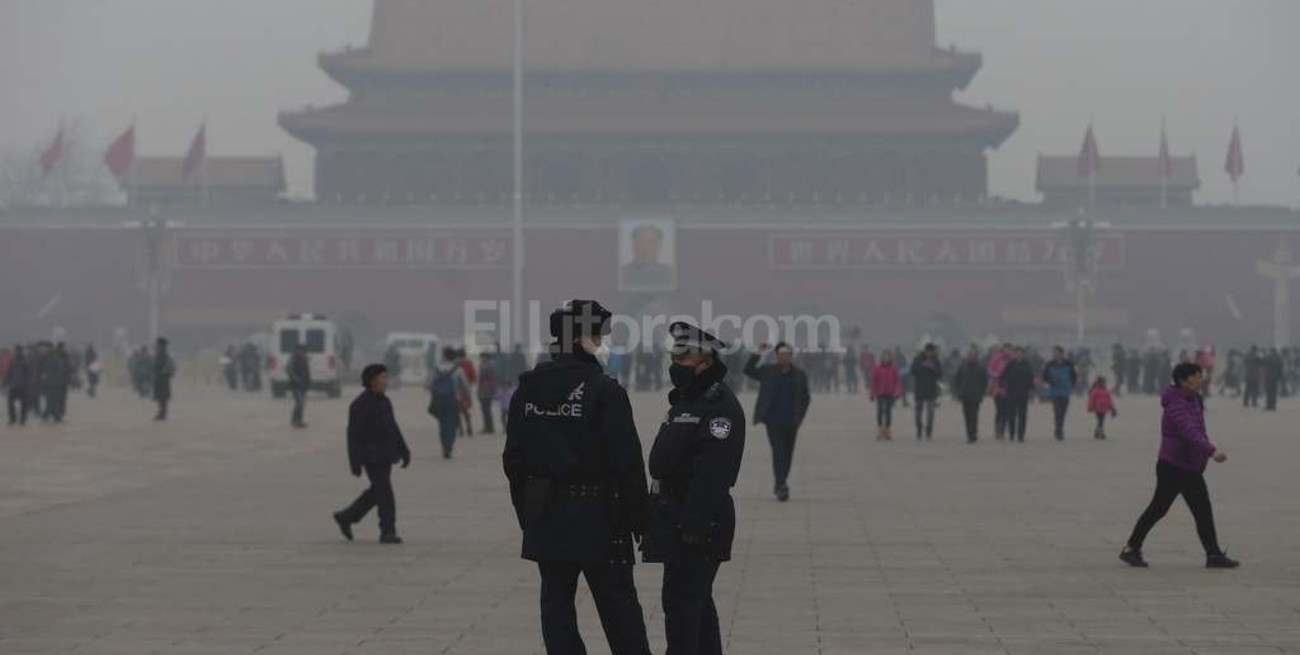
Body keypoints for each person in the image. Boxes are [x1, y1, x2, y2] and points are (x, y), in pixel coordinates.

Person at [503, 300, 653, 655]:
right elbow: (626, 462)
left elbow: (513, 459)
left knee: (556, 607)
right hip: (600, 515)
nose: (602, 342)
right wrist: (640, 520)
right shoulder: (604, 390)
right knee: (619, 608)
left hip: (546, 513)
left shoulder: (529, 389)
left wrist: (528, 512)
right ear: (580, 338)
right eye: (598, 335)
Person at [643, 321, 746, 655]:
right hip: (675, 515)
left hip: (699, 522)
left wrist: (694, 525)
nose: (676, 365)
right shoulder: (687, 400)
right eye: (674, 358)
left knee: (682, 606)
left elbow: (713, 475)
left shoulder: (718, 406)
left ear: (706, 361)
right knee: (696, 605)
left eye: (684, 359)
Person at [1119, 363, 1239, 569]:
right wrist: (1211, 451)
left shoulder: (1195, 399)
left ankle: (1213, 554)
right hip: (1172, 466)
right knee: (1158, 508)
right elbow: (1189, 430)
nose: (1200, 380)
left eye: (1200, 376)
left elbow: (1200, 430)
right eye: (1195, 377)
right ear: (1183, 381)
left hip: (1189, 466)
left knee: (1202, 509)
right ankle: (1131, 548)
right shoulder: (1175, 403)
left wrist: (1203, 452)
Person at [333, 364, 411, 544]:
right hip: (371, 456)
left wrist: (403, 450)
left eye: (385, 377)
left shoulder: (385, 401)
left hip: (386, 454)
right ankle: (387, 531)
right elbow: (353, 435)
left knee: (377, 492)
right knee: (385, 493)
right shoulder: (360, 404)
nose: (386, 381)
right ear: (372, 381)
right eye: (382, 377)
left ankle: (346, 516)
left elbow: (393, 427)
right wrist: (355, 462)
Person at [744, 341, 810, 502]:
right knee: (778, 452)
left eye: (786, 355)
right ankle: (781, 485)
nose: (783, 358)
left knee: (787, 453)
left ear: (791, 356)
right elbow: (748, 370)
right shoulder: (768, 371)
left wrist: (800, 417)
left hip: (791, 421)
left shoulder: (799, 375)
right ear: (776, 356)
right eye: (780, 355)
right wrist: (758, 352)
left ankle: (782, 480)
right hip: (773, 421)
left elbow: (805, 397)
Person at [427, 346, 469, 459]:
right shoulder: (458, 369)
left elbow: (429, 385)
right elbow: (465, 386)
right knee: (452, 424)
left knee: (442, 424)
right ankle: (449, 446)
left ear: (444, 356)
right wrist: (467, 398)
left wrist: (435, 393)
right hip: (453, 400)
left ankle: (444, 445)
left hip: (439, 400)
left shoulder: (436, 368)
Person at [954, 347, 988, 444]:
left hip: (976, 396)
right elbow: (957, 380)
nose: (970, 357)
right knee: (967, 416)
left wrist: (981, 392)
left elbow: (984, 381)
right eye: (969, 355)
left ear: (976, 357)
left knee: (974, 415)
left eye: (972, 355)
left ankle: (973, 433)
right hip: (965, 395)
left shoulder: (981, 367)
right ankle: (969, 433)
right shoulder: (962, 367)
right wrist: (959, 391)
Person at [1042, 346, 1077, 440]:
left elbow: (1074, 376)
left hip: (1065, 390)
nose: (1056, 355)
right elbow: (1045, 376)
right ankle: (1058, 430)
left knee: (1063, 411)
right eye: (1054, 353)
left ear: (1062, 353)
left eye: (1057, 353)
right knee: (1057, 410)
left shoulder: (1069, 364)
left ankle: (1060, 428)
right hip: (1054, 391)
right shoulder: (1049, 364)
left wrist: (1072, 385)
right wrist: (1051, 381)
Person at [1002, 347, 1036, 443]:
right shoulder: (1010, 364)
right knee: (1011, 415)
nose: (1019, 355)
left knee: (1022, 416)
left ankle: (1021, 435)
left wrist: (1031, 389)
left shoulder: (1027, 365)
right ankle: (1012, 433)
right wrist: (1004, 386)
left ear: (1024, 355)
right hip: (1011, 393)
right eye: (1017, 354)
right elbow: (1003, 375)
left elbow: (1030, 378)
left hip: (1023, 394)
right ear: (1014, 354)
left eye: (1021, 354)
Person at [911, 343, 943, 440]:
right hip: (919, 388)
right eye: (928, 351)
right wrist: (923, 366)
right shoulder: (918, 359)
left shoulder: (936, 361)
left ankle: (929, 429)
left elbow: (940, 374)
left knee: (931, 411)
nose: (930, 353)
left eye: (932, 352)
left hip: (931, 389)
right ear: (925, 351)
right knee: (918, 411)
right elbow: (912, 371)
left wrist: (932, 368)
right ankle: (919, 428)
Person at [870, 349, 902, 441]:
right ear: (881, 357)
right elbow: (874, 382)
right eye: (884, 356)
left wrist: (898, 392)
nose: (886, 358)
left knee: (888, 411)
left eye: (888, 356)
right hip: (880, 393)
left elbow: (897, 382)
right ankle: (880, 428)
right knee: (880, 411)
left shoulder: (894, 369)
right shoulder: (877, 368)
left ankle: (887, 429)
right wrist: (872, 394)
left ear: (890, 358)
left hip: (890, 393)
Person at [986, 344, 1013, 439]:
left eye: (1009, 349)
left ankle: (1002, 430)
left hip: (1008, 389)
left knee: (1006, 411)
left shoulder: (1012, 360)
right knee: (999, 410)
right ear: (1003, 350)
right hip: (997, 389)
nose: (1008, 351)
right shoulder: (996, 358)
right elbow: (989, 369)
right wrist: (997, 375)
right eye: (1006, 349)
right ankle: (997, 429)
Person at [5, 345, 30, 426]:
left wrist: (28, 385)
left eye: (17, 351)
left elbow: (28, 375)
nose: (16, 352)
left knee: (23, 405)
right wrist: (5, 382)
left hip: (23, 387)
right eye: (15, 351)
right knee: (10, 403)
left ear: (20, 351)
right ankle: (12, 419)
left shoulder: (25, 362)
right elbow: (9, 373)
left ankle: (22, 420)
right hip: (13, 386)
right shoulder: (12, 361)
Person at [287, 344, 311, 428]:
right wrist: (296, 379)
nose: (303, 353)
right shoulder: (293, 359)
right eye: (302, 351)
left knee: (301, 404)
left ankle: (296, 420)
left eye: (304, 352)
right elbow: (289, 370)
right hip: (296, 385)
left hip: (303, 385)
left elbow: (307, 372)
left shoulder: (304, 359)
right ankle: (298, 421)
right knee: (300, 403)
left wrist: (308, 382)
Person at [476, 351, 499, 435]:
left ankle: (488, 427)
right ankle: (488, 427)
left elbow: (491, 379)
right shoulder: (489, 365)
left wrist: (492, 390)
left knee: (486, 410)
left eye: (482, 357)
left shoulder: (487, 366)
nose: (481, 358)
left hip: (485, 390)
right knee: (486, 409)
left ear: (486, 357)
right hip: (485, 390)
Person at [153, 338, 175, 421]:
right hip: (161, 378)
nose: (157, 346)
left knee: (162, 397)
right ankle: (162, 412)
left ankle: (162, 413)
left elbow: (159, 365)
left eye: (158, 344)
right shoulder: (161, 353)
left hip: (162, 378)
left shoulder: (163, 354)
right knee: (161, 397)